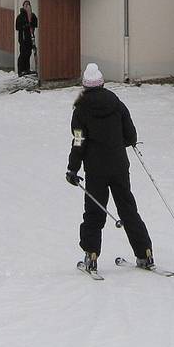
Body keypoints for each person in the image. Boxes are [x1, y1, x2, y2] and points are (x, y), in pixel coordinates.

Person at [65, 63, 153, 273]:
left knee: (94, 212)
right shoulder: (116, 103)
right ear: (102, 83)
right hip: (119, 166)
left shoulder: (81, 110)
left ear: (84, 86)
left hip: (96, 170)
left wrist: (72, 169)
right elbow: (130, 135)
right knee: (128, 209)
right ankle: (145, 253)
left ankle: (91, 255)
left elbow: (79, 141)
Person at [15, 0, 38, 77]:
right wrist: (25, 26)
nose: (27, 6)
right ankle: (20, 70)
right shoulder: (20, 16)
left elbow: (35, 24)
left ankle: (26, 69)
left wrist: (31, 24)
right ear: (23, 6)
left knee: (28, 53)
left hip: (30, 37)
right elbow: (17, 27)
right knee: (23, 53)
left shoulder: (32, 15)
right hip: (23, 38)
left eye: (28, 5)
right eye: (26, 5)